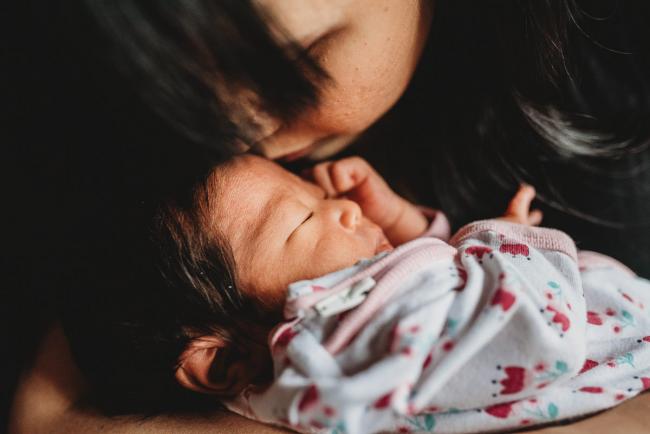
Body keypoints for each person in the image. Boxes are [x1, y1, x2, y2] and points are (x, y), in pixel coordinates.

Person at [7, 0, 650, 432]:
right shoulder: (304, 349)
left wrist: (403, 224)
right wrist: (501, 240)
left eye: (294, 68)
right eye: (184, 96)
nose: (246, 133)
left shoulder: (610, 56)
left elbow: (429, 282)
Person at [61, 154, 650, 434]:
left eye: (313, 195)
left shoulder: (339, 334)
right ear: (223, 358)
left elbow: (438, 296)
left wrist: (400, 224)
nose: (341, 208)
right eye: (300, 222)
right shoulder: (326, 351)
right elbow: (529, 334)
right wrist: (503, 241)